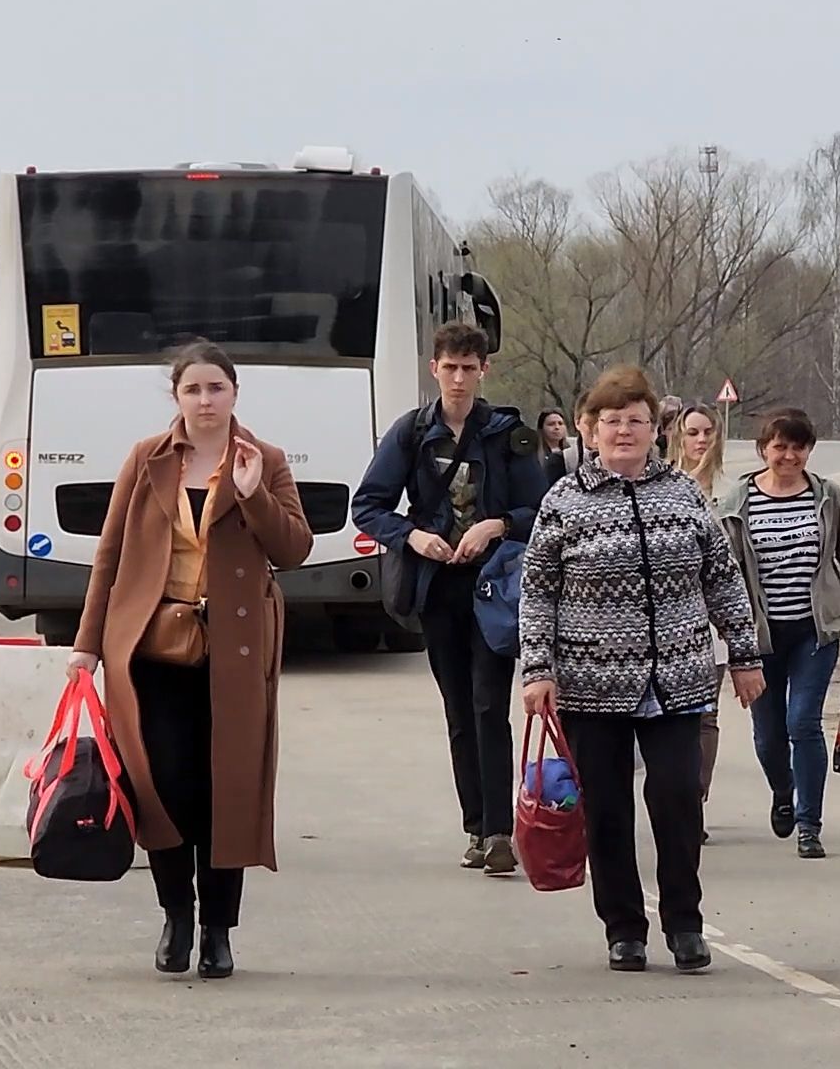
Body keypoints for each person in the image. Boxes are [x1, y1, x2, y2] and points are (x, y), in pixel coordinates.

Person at [67, 340, 312, 980]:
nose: (205, 401)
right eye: (193, 390)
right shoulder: (146, 457)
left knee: (225, 791)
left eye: (216, 388)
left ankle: (218, 930)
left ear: (235, 393)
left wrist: (253, 494)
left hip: (234, 651)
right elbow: (109, 555)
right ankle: (176, 914)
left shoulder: (265, 459)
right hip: (151, 647)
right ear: (177, 397)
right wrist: (86, 645)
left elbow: (294, 549)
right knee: (163, 788)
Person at [519, 364, 764, 974]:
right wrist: (538, 670)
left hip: (678, 678)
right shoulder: (564, 501)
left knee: (678, 795)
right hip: (590, 682)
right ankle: (623, 927)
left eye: (637, 421)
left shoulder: (683, 494)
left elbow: (722, 578)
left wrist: (743, 654)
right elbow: (538, 591)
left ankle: (685, 922)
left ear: (657, 429)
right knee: (606, 808)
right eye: (612, 421)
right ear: (590, 429)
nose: (624, 431)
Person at [350, 321, 551, 876]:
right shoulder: (412, 432)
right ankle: (475, 826)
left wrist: (496, 525)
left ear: (484, 370)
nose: (459, 378)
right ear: (434, 369)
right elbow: (368, 505)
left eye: (469, 368)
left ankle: (500, 831)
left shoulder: (507, 434)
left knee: (490, 704)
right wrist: (412, 536)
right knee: (459, 710)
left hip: (495, 588)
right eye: (450, 368)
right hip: (437, 587)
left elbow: (542, 511)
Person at [717, 409, 840, 859]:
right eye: (780, 446)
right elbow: (723, 575)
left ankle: (809, 824)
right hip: (759, 636)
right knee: (768, 734)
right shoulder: (735, 503)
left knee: (802, 722)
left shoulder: (827, 497)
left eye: (798, 447)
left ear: (809, 450)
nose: (789, 456)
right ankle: (782, 789)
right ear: (763, 449)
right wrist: (727, 631)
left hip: (815, 630)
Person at [669, 403, 729, 829]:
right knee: (676, 718)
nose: (701, 440)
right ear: (679, 437)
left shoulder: (730, 490)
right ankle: (674, 795)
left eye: (708, 431)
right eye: (693, 432)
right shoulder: (663, 484)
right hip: (672, 618)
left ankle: (695, 804)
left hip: (715, 616)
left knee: (706, 714)